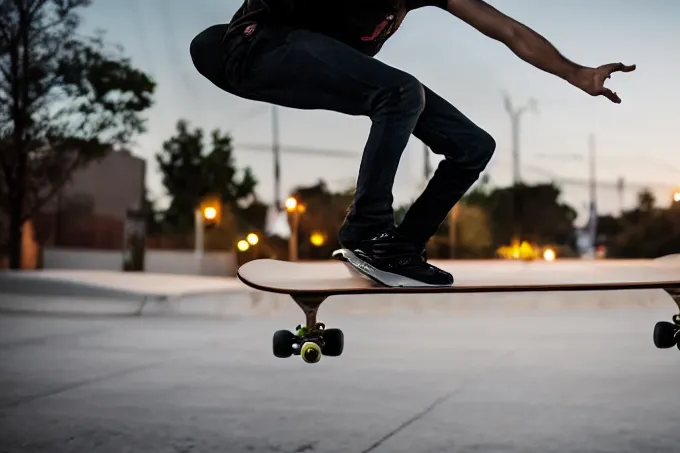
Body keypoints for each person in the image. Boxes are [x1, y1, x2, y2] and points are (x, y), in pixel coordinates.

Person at [190, 0, 635, 287]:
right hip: (252, 51)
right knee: (401, 92)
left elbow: (507, 31)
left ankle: (399, 248)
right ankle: (367, 231)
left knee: (472, 145)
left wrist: (576, 73)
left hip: (309, 61)